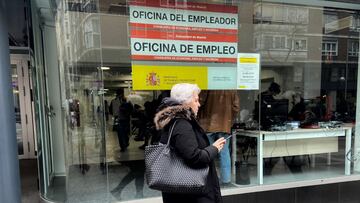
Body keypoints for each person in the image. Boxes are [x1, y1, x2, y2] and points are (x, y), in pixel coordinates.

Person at [154, 83, 226, 203]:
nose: (199, 104)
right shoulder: (182, 124)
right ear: (185, 102)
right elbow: (194, 156)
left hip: (180, 192)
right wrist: (214, 148)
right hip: (192, 194)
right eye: (196, 100)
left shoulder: (172, 120)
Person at [198, 90, 240, 185]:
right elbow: (236, 107)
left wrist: (200, 118)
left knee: (208, 152)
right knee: (224, 153)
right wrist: (229, 121)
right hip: (225, 125)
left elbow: (200, 102)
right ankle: (226, 180)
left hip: (208, 124)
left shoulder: (209, 85)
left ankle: (209, 179)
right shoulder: (231, 87)